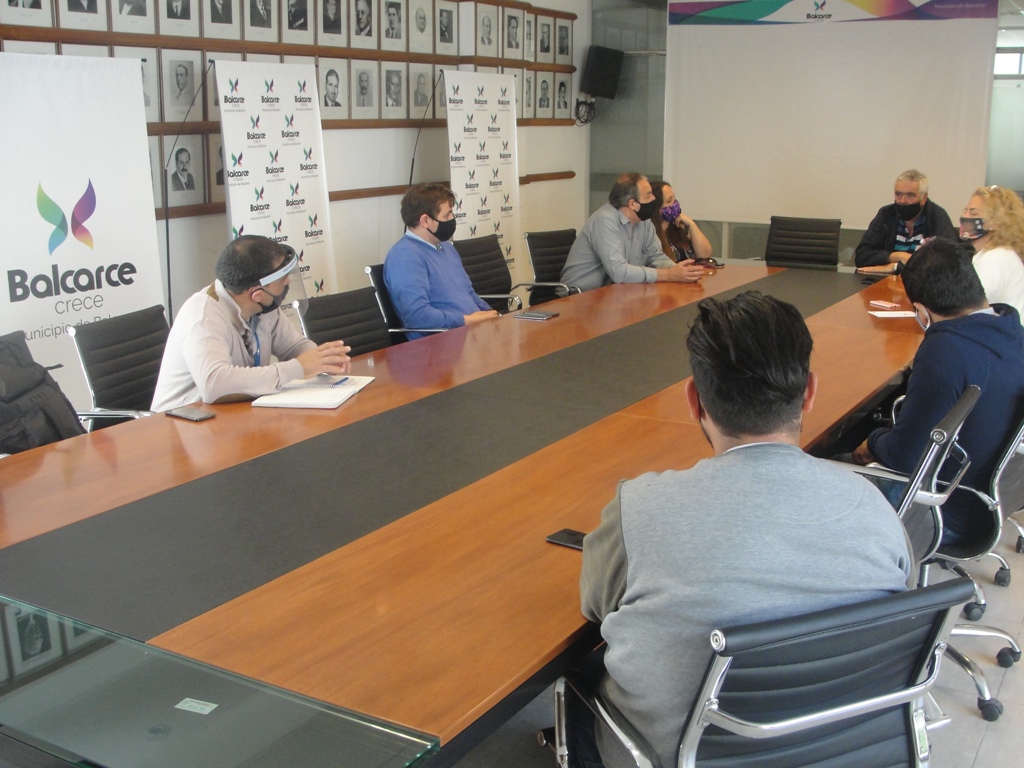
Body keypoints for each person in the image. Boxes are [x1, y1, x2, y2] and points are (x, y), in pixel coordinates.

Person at [576, 291, 912, 768]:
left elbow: (594, 605)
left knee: (581, 677)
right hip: (843, 749)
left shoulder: (640, 508)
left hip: (677, 757)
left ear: (694, 400)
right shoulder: (874, 506)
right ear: (809, 393)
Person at [853, 237, 1024, 543]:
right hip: (991, 497)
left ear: (921, 311)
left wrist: (872, 442)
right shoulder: (1013, 330)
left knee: (829, 465)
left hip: (943, 509)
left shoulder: (946, 349)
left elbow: (905, 458)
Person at [152, 236, 351, 411]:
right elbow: (214, 384)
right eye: (282, 281)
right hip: (178, 426)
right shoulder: (202, 317)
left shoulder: (263, 307)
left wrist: (323, 360)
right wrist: (298, 368)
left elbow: (294, 347)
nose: (288, 283)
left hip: (233, 415)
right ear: (257, 294)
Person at [383, 184, 498, 340]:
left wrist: (490, 313)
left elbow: (468, 293)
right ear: (425, 220)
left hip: (471, 334)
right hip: (439, 343)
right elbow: (418, 316)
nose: (452, 219)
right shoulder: (404, 256)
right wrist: (466, 321)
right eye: (447, 215)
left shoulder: (446, 247)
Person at [560, 172, 706, 291]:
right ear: (632, 204)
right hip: (578, 295)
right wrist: (668, 275)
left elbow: (655, 256)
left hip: (613, 292)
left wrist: (680, 271)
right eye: (648, 195)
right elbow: (618, 272)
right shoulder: (605, 220)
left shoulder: (643, 220)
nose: (654, 199)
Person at [855, 169, 958, 271]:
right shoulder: (886, 214)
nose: (903, 201)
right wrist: (898, 256)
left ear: (924, 198)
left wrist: (895, 267)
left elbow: (948, 261)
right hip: (886, 280)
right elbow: (862, 256)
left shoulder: (937, 216)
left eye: (910, 195)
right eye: (898, 194)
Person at [960, 185, 1024, 322]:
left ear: (995, 222)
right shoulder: (994, 253)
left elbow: (971, 309)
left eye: (973, 213)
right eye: (966, 210)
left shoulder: (994, 259)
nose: (965, 217)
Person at [650, 180, 712, 264]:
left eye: (674, 198)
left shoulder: (679, 227)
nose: (674, 204)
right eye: (669, 201)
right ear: (657, 208)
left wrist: (691, 224)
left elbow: (705, 255)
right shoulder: (650, 235)